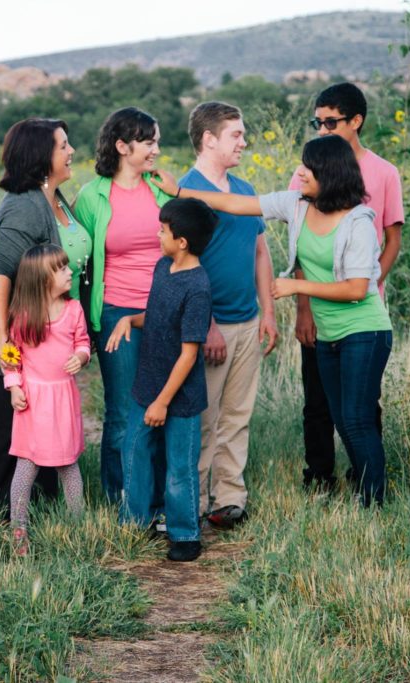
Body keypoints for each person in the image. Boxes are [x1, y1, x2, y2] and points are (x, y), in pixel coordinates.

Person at [157, 135, 393, 507]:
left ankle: (374, 502)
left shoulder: (358, 221)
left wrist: (295, 285)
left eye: (308, 167)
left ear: (329, 173)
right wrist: (182, 191)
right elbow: (237, 203)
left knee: (356, 418)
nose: (299, 172)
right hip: (329, 333)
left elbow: (357, 289)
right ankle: (365, 492)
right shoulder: (297, 204)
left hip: (365, 331)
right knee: (342, 419)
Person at [289, 83, 404, 492]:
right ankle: (320, 477)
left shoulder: (384, 173)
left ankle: (367, 481)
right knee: (318, 402)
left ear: (356, 121)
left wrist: (369, 283)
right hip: (317, 308)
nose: (322, 129)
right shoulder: (307, 172)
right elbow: (300, 244)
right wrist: (303, 307)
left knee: (361, 407)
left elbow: (392, 238)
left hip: (361, 307)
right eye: (317, 121)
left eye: (331, 122)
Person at [0, 118, 79, 517]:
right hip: (7, 318)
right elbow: (1, 274)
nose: (71, 151)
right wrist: (3, 341)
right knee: (6, 413)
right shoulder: (24, 207)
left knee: (40, 409)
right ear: (41, 156)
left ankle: (40, 503)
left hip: (38, 321)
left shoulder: (53, 196)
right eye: (63, 145)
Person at [181, 102, 278, 530]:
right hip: (209, 326)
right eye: (235, 134)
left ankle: (229, 497)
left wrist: (269, 313)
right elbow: (185, 265)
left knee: (238, 415)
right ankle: (195, 501)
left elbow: (261, 251)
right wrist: (207, 325)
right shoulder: (187, 192)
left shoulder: (243, 189)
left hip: (247, 321)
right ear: (208, 139)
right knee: (204, 418)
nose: (243, 141)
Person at [105, 198, 217, 561]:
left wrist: (163, 402)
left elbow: (189, 354)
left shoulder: (197, 287)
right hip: (147, 383)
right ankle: (136, 522)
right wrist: (129, 320)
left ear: (181, 241)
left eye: (163, 230)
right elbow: (156, 316)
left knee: (179, 466)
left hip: (179, 398)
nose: (157, 234)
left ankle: (185, 534)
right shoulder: (161, 267)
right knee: (133, 450)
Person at [74, 106, 173, 505]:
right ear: (121, 145)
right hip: (116, 312)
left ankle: (159, 499)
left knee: (163, 406)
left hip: (164, 312)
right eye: (149, 142)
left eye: (157, 142)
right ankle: (120, 498)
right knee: (123, 410)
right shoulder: (91, 196)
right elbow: (82, 264)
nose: (156, 150)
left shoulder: (162, 189)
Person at [3, 245, 90, 555]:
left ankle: (76, 526)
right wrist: (14, 387)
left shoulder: (74, 310)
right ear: (42, 279)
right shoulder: (24, 317)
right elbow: (11, 357)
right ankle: (18, 530)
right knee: (26, 467)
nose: (70, 272)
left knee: (69, 466)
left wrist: (81, 357)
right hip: (33, 403)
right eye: (62, 269)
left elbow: (83, 343)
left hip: (62, 399)